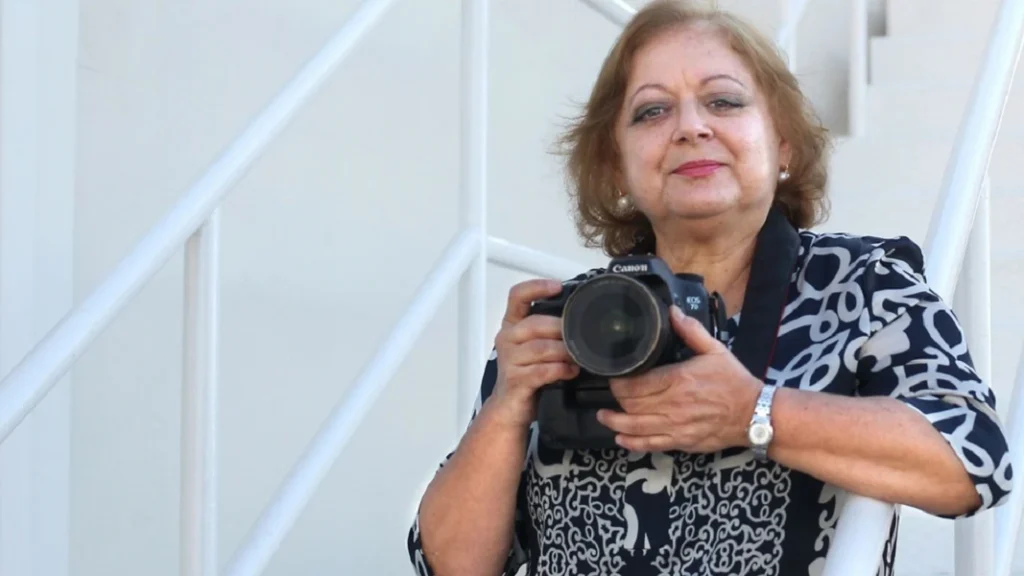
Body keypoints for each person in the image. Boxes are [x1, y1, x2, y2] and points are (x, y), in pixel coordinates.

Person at [406, 1, 1012, 574]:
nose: (690, 128)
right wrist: (508, 408)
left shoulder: (865, 283)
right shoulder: (574, 319)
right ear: (616, 164)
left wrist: (754, 411)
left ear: (784, 146)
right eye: (651, 111)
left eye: (723, 102)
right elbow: (450, 564)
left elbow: (974, 459)